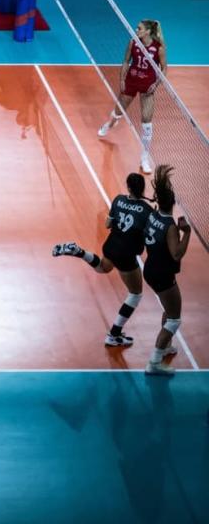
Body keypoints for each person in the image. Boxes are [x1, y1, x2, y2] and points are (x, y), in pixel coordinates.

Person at [52, 173, 153, 347]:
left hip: (111, 246)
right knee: (135, 294)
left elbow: (108, 225)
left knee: (102, 268)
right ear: (143, 188)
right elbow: (149, 236)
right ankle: (114, 334)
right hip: (126, 254)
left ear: (128, 187)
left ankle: (79, 251)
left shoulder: (118, 200)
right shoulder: (147, 210)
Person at [97, 20, 167, 174]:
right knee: (118, 111)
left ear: (148, 31)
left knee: (147, 123)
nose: (136, 30)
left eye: (139, 28)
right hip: (131, 82)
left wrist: (155, 85)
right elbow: (126, 61)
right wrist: (122, 79)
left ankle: (144, 158)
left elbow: (164, 68)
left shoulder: (158, 48)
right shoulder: (133, 43)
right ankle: (110, 123)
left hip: (147, 87)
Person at [143, 166, 191, 376]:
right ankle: (154, 362)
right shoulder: (170, 226)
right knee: (174, 318)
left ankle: (166, 346)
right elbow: (177, 254)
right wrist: (186, 233)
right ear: (171, 204)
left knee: (168, 309)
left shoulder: (153, 215)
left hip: (151, 268)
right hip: (162, 273)